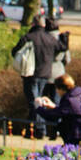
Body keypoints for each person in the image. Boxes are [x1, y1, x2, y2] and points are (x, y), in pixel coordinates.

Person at [11, 9, 60, 138]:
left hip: (30, 74)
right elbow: (61, 48)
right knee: (40, 102)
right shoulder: (50, 38)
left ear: (33, 24)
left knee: (34, 103)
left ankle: (39, 130)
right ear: (44, 25)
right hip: (46, 74)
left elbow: (14, 52)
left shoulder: (28, 38)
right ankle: (33, 130)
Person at [35, 74, 81, 146]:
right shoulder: (78, 95)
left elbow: (52, 116)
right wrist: (54, 106)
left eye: (57, 89)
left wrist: (38, 107)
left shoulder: (69, 100)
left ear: (61, 89)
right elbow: (69, 111)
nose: (56, 91)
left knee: (67, 156)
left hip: (80, 137)